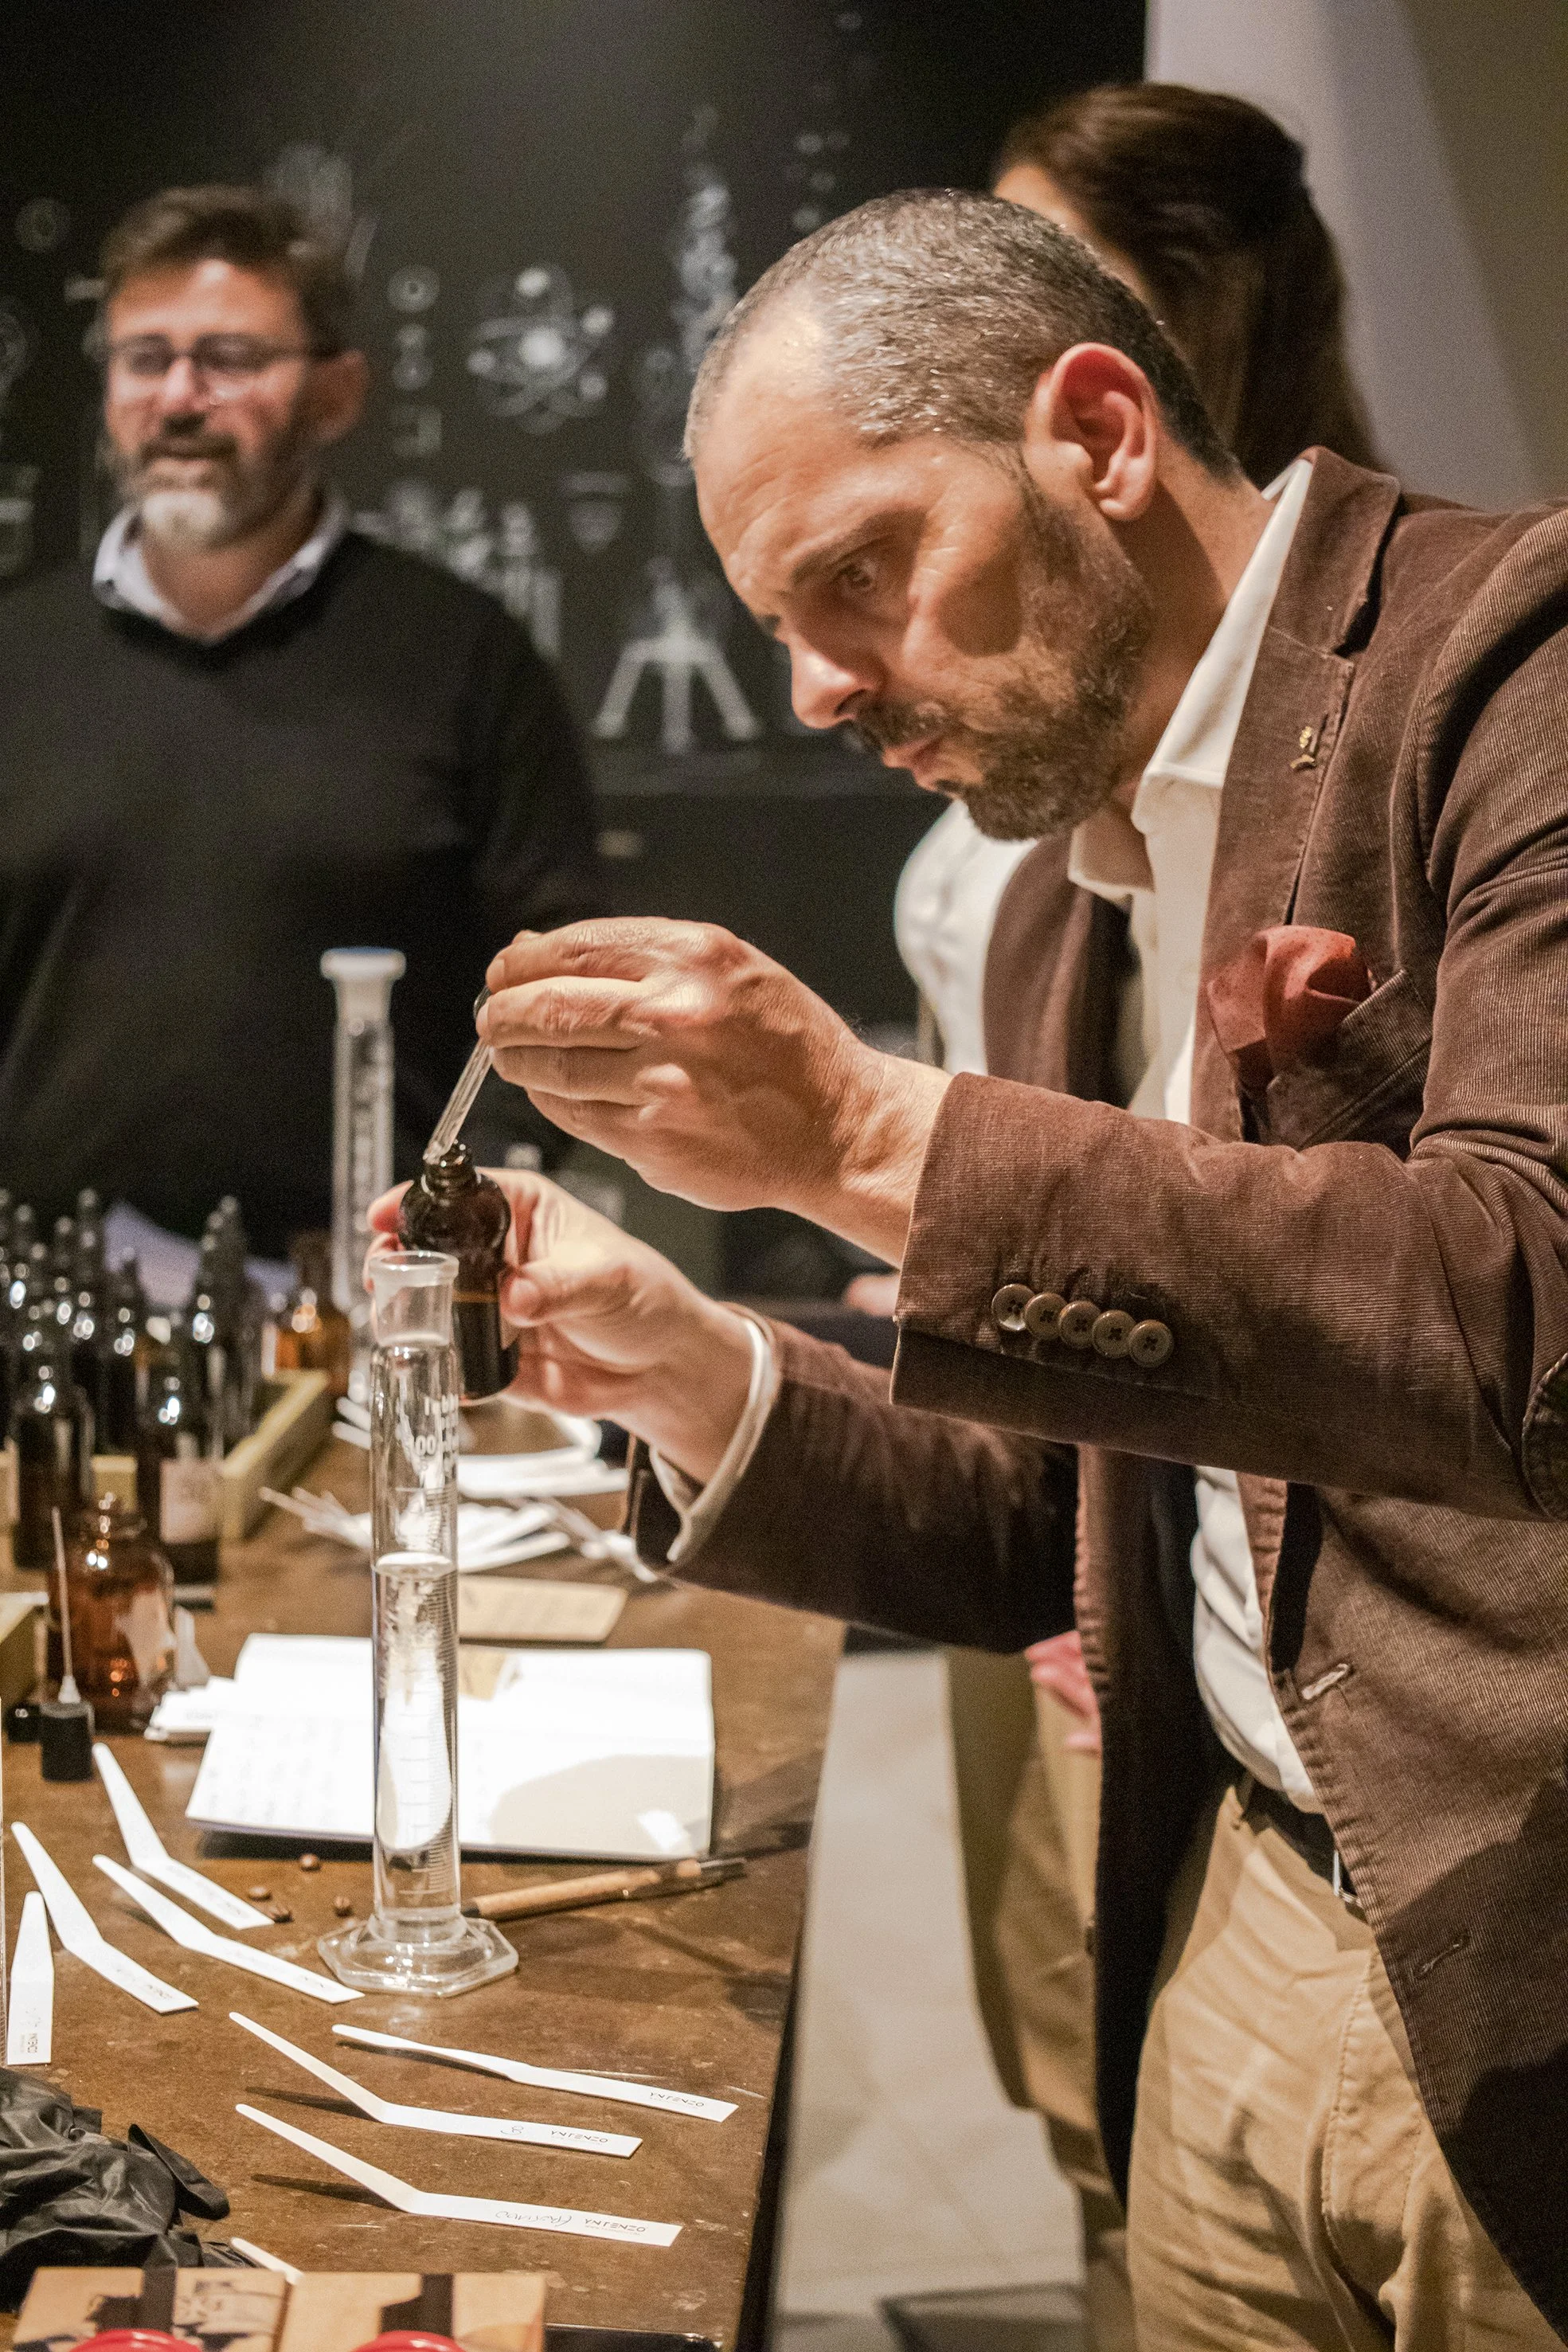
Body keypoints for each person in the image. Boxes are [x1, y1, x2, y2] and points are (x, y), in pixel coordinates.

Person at [408, 191, 1568, 2346]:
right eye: (780, 620)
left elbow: (1532, 1319)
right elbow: (1068, 1511)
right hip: (1229, 1917)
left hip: (1521, 1972)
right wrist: (683, 1364)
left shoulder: (1518, 667)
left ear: (1102, 432)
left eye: (860, 573)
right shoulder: (1067, 893)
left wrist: (861, 1139)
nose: (822, 686)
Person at [871, 88, 1392, 2347]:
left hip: (1402, 1798)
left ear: (1121, 377)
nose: (826, 682)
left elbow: (1469, 1292)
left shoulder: (1445, 693)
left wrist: (852, 1139)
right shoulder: (1064, 826)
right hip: (1134, 1637)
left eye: (1018, 289)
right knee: (1099, 2138)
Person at [0, 185, 598, 1254]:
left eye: (229, 358)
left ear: (336, 392)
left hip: (370, 1311)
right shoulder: (14, 658)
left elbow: (553, 987)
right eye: (145, 358)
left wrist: (456, 1236)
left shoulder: (466, 657)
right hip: (46, 1309)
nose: (179, 398)